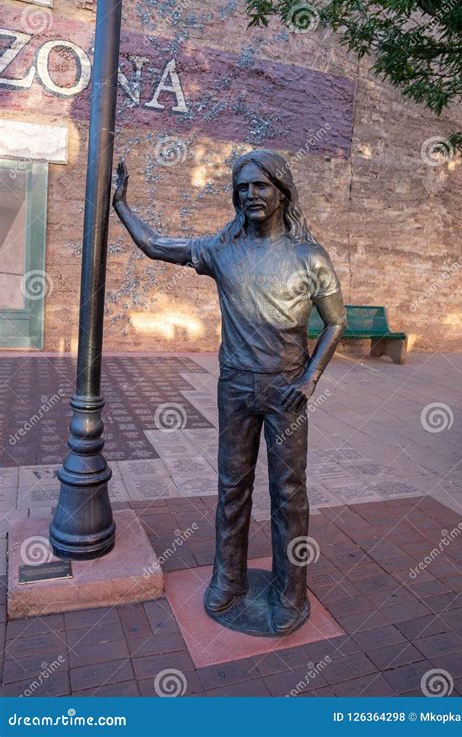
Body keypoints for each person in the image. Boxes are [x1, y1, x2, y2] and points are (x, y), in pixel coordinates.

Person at [113, 149, 346, 635]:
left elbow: (335, 321)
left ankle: (290, 591)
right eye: (242, 187)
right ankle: (228, 579)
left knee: (289, 494)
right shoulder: (222, 250)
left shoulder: (309, 257)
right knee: (232, 488)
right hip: (235, 386)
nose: (250, 195)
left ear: (283, 191)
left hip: (287, 391)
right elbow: (157, 245)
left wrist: (309, 380)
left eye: (260, 185)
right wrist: (121, 204)